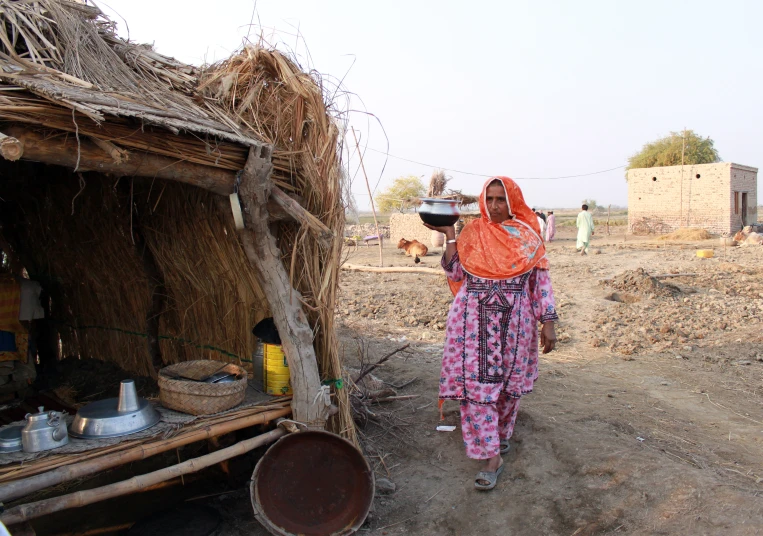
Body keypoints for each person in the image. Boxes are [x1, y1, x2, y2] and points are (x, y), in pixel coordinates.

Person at [424, 177, 558, 491]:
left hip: (516, 323)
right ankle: (490, 457)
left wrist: (548, 321)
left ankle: (497, 437)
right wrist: (449, 236)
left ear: (512, 202)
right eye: (490, 199)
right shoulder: (472, 232)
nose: (495, 206)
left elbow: (541, 284)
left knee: (509, 389)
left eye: (501, 200)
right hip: (472, 322)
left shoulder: (527, 237)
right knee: (478, 389)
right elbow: (455, 272)